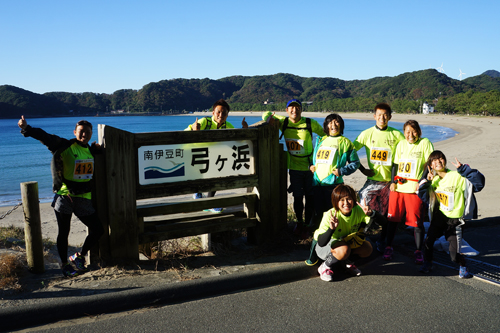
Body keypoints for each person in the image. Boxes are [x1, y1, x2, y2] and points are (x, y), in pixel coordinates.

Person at [18, 116, 104, 277]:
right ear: (75, 132)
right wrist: (26, 128)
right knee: (64, 232)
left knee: (98, 230)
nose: (84, 135)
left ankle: (79, 256)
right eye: (81, 132)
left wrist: (98, 149)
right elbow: (46, 137)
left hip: (84, 198)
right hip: (65, 197)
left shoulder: (90, 150)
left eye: (87, 132)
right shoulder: (65, 145)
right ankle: (65, 265)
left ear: (92, 133)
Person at [262, 99, 325, 237]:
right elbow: (265, 113)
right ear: (286, 110)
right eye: (291, 108)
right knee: (297, 198)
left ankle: (308, 224)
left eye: (297, 108)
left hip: (310, 168)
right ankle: (299, 222)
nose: (294, 111)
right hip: (294, 168)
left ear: (301, 110)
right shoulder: (284, 122)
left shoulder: (309, 123)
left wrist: (319, 157)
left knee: (310, 197)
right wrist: (269, 118)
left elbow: (325, 136)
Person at [417, 151, 485, 278]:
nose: (438, 162)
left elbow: (479, 184)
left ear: (445, 160)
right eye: (434, 160)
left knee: (454, 256)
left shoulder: (456, 176)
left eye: (440, 158)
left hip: (454, 221)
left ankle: (463, 265)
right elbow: (423, 196)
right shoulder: (433, 180)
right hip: (439, 218)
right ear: (430, 165)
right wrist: (426, 182)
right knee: (428, 242)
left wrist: (464, 170)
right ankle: (428, 263)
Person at [353, 103, 404, 252]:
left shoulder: (396, 135)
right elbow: (350, 151)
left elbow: (405, 155)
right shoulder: (366, 134)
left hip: (391, 182)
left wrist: (396, 180)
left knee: (387, 215)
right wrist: (362, 169)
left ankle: (383, 242)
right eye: (379, 115)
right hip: (373, 181)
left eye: (385, 115)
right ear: (374, 116)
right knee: (364, 205)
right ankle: (361, 236)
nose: (382, 118)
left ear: (390, 117)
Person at [383, 120, 434, 263]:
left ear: (419, 132)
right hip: (398, 188)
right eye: (407, 132)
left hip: (414, 189)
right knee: (392, 220)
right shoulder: (401, 144)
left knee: (417, 222)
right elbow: (395, 164)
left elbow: (428, 165)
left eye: (413, 131)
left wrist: (421, 181)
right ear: (403, 133)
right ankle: (388, 246)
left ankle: (418, 250)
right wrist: (392, 181)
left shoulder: (425, 143)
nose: (410, 135)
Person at [186, 99, 248, 213]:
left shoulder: (227, 126)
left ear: (227, 115)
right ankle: (202, 197)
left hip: (212, 158)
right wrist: (193, 132)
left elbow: (238, 141)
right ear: (213, 113)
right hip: (197, 157)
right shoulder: (205, 122)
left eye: (224, 113)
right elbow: (184, 134)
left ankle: (207, 200)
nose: (221, 115)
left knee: (220, 168)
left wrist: (245, 130)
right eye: (218, 112)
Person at [311, 184, 384, 281]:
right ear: (336, 201)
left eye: (349, 199)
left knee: (367, 248)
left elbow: (384, 223)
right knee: (343, 250)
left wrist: (372, 214)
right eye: (341, 200)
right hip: (324, 247)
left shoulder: (359, 210)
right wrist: (331, 229)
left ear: (353, 200)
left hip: (345, 242)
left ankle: (347, 263)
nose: (346, 203)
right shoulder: (331, 214)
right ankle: (325, 267)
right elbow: (321, 242)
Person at [309, 114, 360, 231]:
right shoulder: (320, 140)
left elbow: (355, 163)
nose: (333, 125)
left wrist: (342, 171)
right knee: (318, 212)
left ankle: (334, 235)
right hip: (317, 183)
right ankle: (318, 237)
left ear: (341, 125)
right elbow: (316, 159)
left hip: (333, 185)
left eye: (336, 122)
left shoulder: (346, 142)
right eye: (330, 122)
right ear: (326, 126)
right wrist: (312, 166)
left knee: (332, 213)